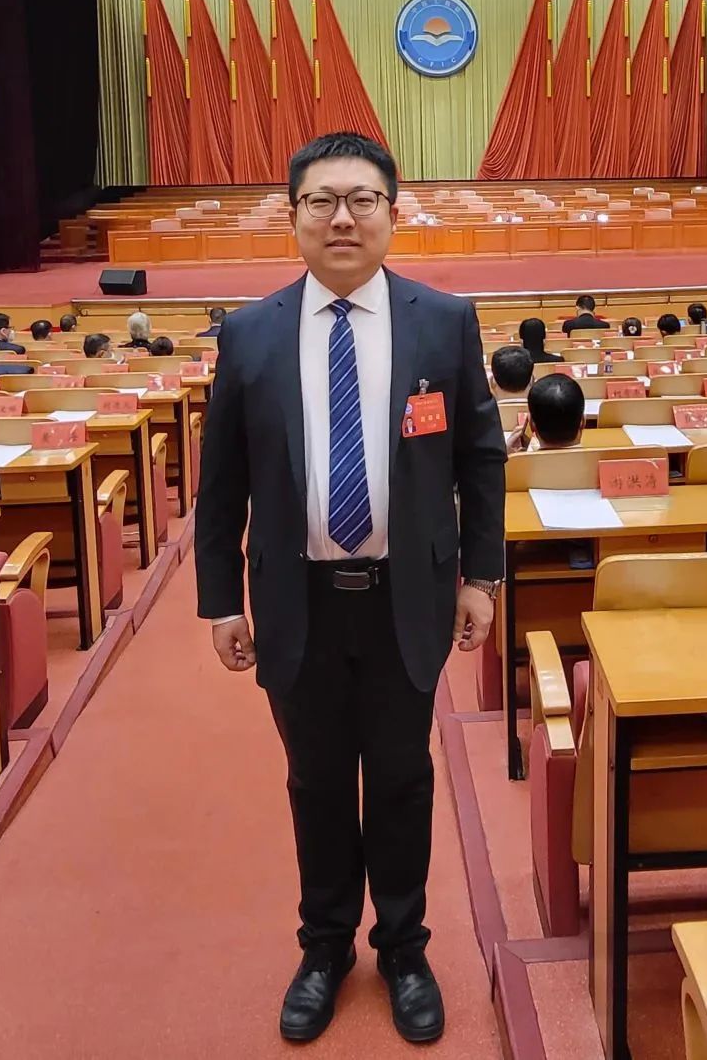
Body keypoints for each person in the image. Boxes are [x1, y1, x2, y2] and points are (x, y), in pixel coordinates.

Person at [195, 131, 505, 1046]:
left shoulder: (442, 322)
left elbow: (481, 458)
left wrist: (482, 575)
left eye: (362, 199)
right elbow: (221, 484)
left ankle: (405, 948)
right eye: (321, 200)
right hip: (299, 602)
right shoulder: (249, 334)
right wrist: (221, 600)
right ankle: (324, 947)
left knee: (404, 780)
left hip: (409, 597)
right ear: (293, 216)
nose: (342, 218)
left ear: (392, 215)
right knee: (318, 782)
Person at [509, 374, 585, 453]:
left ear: (531, 424)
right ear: (583, 421)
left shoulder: (514, 460)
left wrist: (509, 457)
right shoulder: (593, 459)